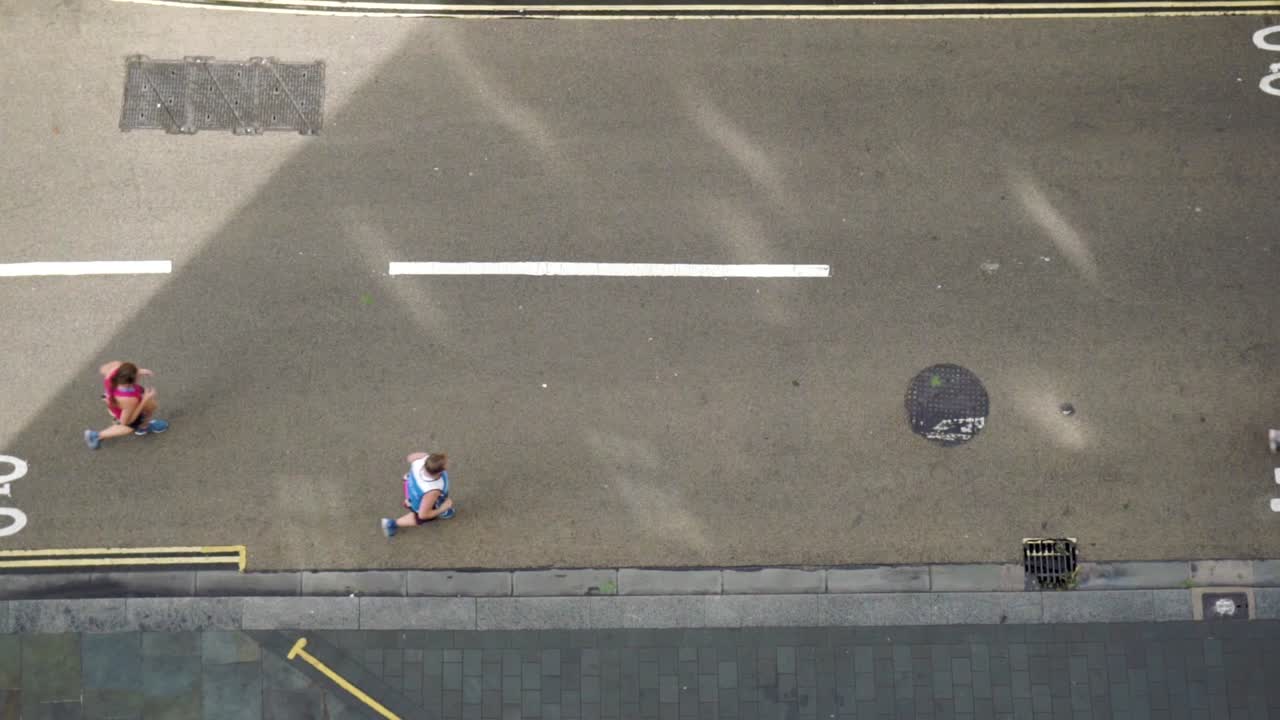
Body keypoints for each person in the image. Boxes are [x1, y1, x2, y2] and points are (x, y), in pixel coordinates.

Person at [85, 361, 169, 449]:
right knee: (127, 428)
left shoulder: (114, 371)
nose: (139, 374)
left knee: (151, 406)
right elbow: (125, 422)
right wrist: (144, 400)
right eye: (137, 375)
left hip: (116, 403)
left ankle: (143, 426)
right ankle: (96, 435)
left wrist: (139, 371)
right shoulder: (129, 400)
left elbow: (103, 368)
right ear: (130, 382)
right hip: (123, 410)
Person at [381, 451, 455, 537]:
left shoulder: (421, 459)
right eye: (446, 464)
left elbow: (410, 457)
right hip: (419, 502)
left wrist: (425, 456)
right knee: (419, 518)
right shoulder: (433, 490)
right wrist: (442, 508)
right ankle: (391, 524)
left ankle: (444, 510)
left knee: (436, 502)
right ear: (440, 471)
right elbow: (423, 515)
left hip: (411, 489)